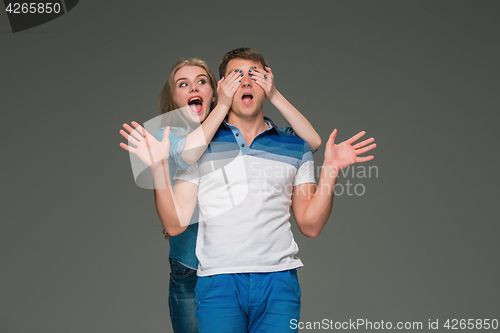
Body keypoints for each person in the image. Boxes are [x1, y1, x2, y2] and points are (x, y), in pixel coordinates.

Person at [144, 48, 376, 333]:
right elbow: (174, 223)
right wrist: (157, 167)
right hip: (218, 281)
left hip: (279, 283)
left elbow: (310, 225)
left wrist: (330, 168)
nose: (245, 81)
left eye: (254, 75)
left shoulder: (295, 146)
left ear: (268, 82)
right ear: (223, 88)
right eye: (235, 76)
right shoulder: (199, 147)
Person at [119, 56, 322, 333]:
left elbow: (310, 142)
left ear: (214, 92)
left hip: (246, 270)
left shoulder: (237, 133)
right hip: (195, 267)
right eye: (183, 84)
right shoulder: (177, 136)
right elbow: (190, 158)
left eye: (201, 82)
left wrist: (272, 94)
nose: (193, 89)